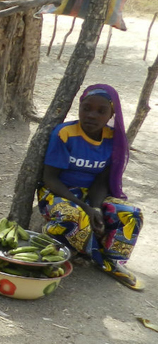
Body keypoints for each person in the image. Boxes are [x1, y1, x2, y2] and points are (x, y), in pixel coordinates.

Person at [38, 84, 144, 291]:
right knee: (74, 216)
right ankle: (56, 250)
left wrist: (95, 207)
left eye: (101, 111)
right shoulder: (65, 134)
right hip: (58, 192)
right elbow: (50, 178)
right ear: (80, 108)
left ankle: (112, 262)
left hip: (91, 195)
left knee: (130, 214)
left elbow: (102, 181)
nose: (92, 115)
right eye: (86, 108)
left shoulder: (112, 139)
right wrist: (84, 207)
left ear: (111, 113)